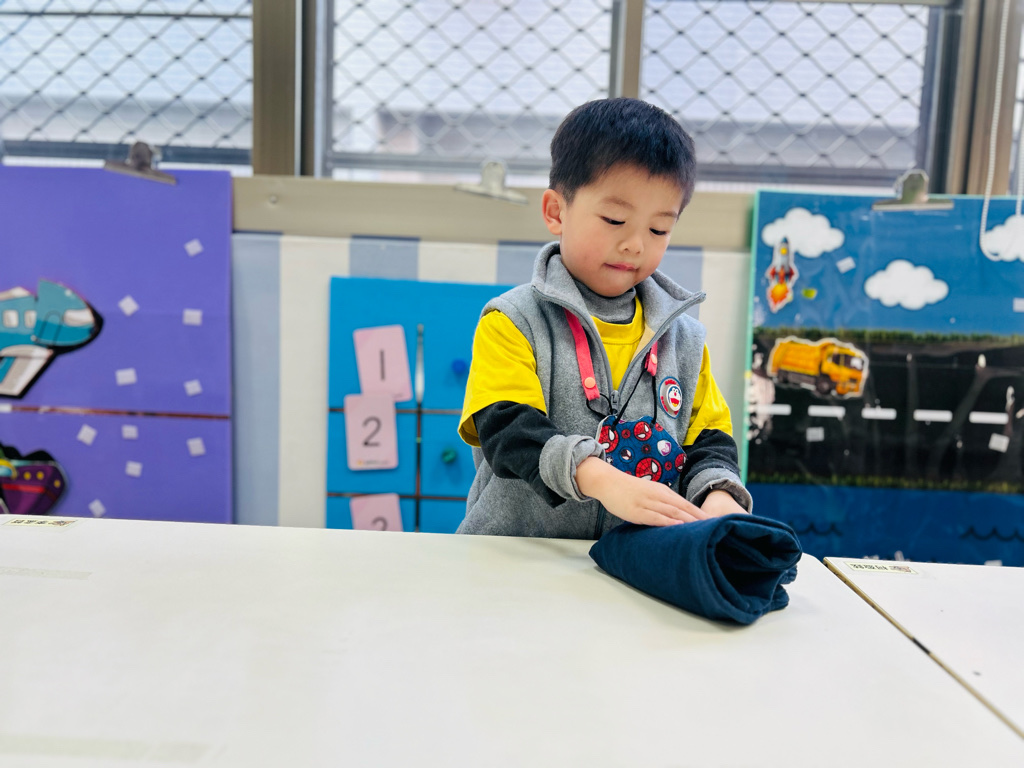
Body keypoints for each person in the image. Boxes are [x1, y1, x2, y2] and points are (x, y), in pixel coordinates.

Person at [457, 97, 751, 539]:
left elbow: (708, 443)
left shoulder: (685, 341)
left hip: (628, 564)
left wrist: (719, 495)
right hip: (516, 555)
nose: (635, 244)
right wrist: (601, 479)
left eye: (658, 229)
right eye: (615, 220)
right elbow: (509, 432)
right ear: (556, 211)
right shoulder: (513, 321)